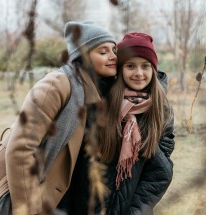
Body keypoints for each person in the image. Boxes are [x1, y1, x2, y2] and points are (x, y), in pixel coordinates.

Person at [0, 20, 117, 215]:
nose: (113, 56)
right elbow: (21, 147)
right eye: (103, 51)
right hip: (12, 187)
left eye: (114, 50)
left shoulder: (94, 93)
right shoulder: (58, 84)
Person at [59, 32, 175, 215]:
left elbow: (159, 173)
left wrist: (136, 211)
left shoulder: (162, 111)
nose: (138, 73)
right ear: (120, 69)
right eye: (130, 66)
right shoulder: (100, 100)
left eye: (145, 66)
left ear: (153, 69)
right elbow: (76, 159)